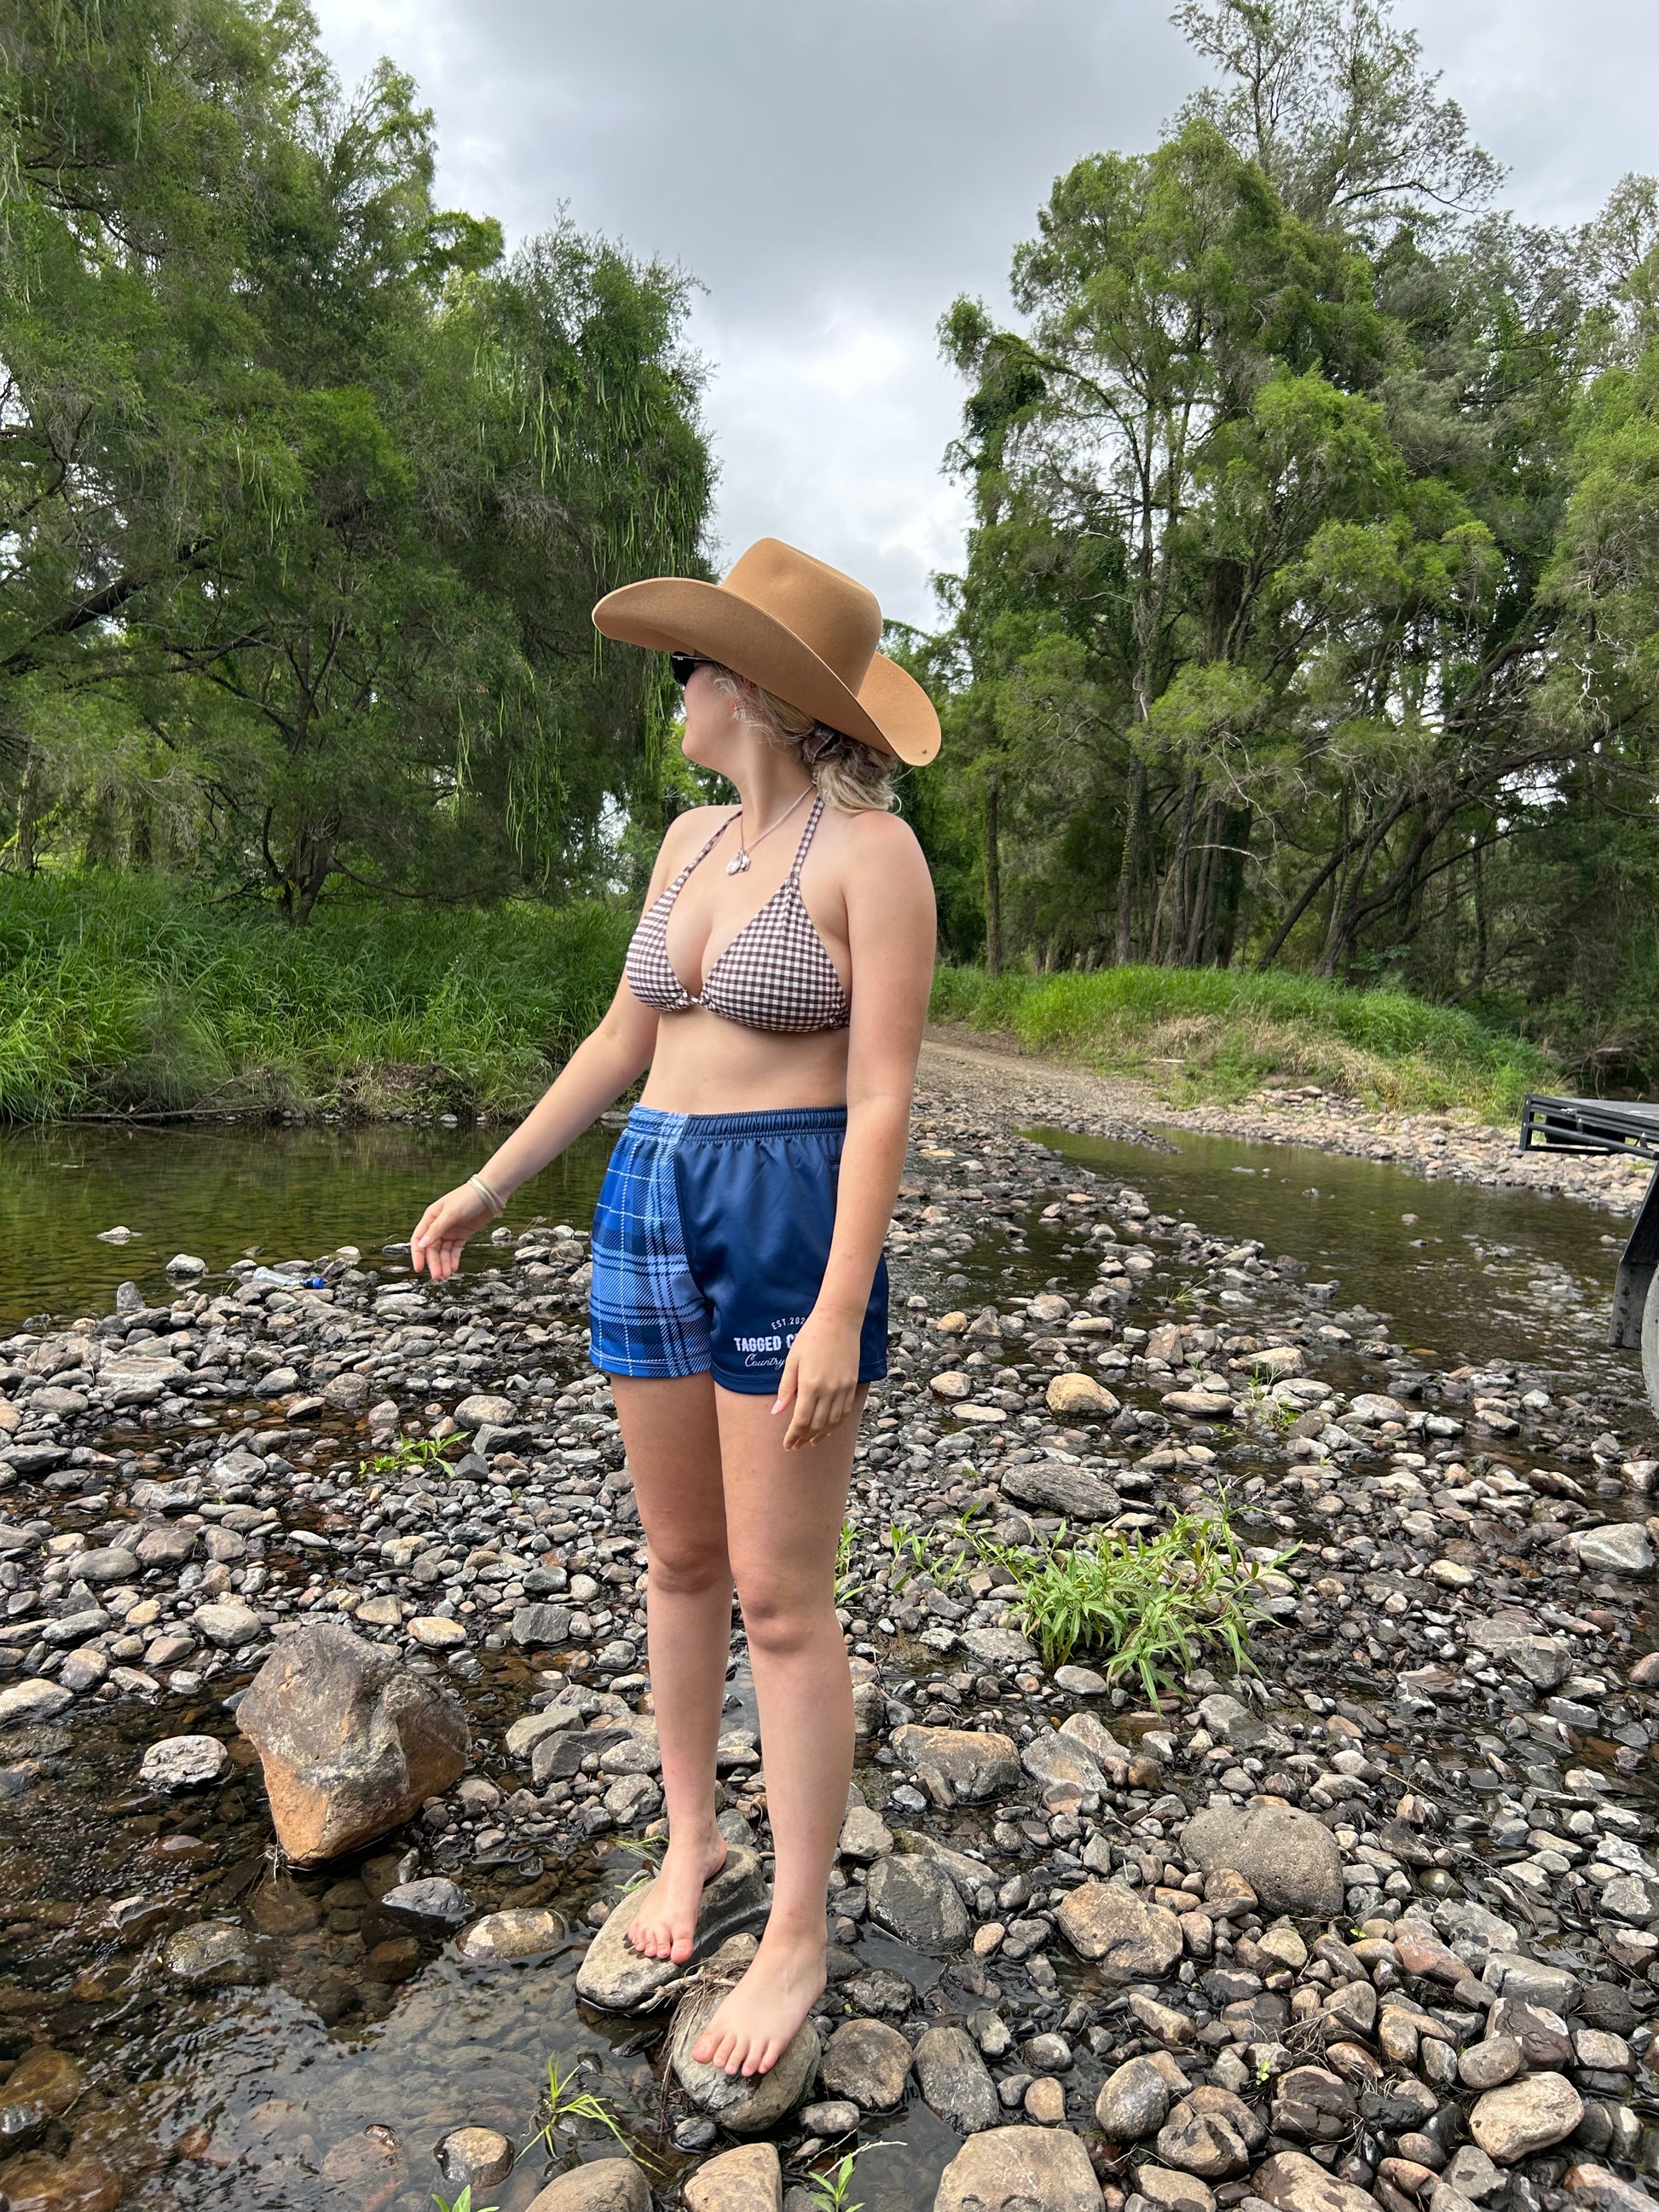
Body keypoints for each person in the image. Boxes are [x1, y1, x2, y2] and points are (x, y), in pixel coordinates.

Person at [409, 539, 939, 2081]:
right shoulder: (687, 841)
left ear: (759, 691)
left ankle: (798, 1931)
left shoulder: (872, 858)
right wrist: (492, 1182)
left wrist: (839, 1305)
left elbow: (884, 1098)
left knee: (780, 1594)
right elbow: (620, 1038)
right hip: (648, 1188)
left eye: (692, 667)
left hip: (785, 1204)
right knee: (680, 1560)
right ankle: (691, 1840)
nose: (679, 690)